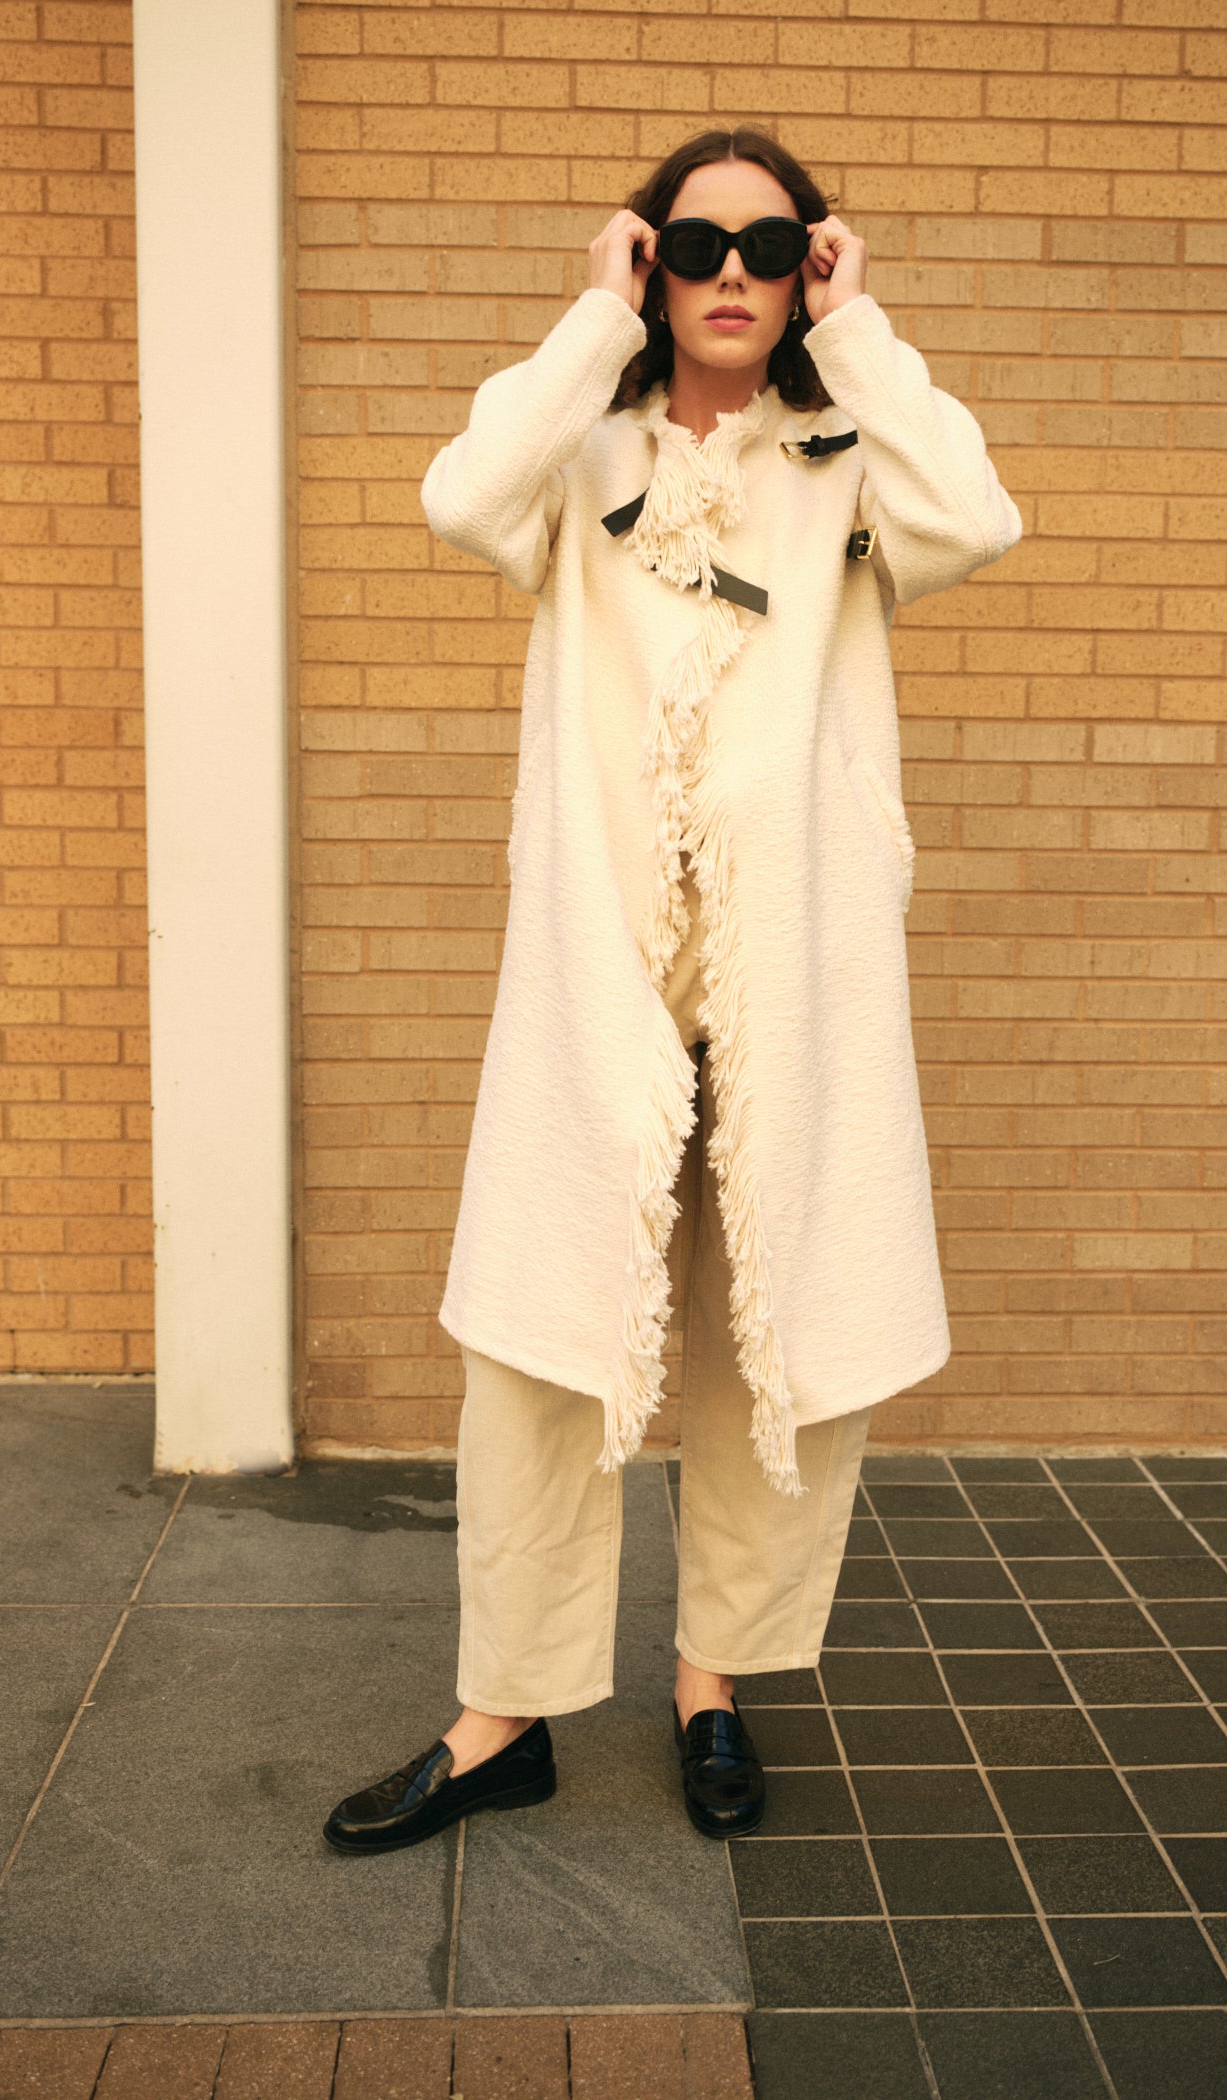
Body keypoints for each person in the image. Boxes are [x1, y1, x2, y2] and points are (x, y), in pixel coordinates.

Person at [323, 127, 1023, 1857]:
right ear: (650, 262)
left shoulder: (844, 455)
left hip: (791, 968)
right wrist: (591, 320)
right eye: (693, 245)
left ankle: (717, 1683)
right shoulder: (586, 450)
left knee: (772, 1347)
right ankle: (503, 1717)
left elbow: (974, 517)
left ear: (807, 268)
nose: (730, 276)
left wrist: (859, 334)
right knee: (535, 1343)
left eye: (769, 248)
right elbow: (457, 496)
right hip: (605, 967)